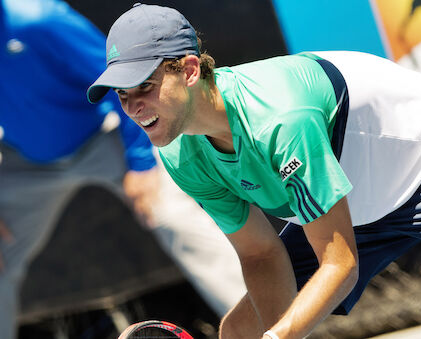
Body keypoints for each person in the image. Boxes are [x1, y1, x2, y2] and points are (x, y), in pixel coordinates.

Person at [87, 4, 421, 339]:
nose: (133, 105)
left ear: (191, 69)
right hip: (355, 188)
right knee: (238, 332)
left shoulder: (280, 120)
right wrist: (274, 332)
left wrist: (283, 335)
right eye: (123, 93)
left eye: (146, 86)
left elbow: (339, 263)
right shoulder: (180, 150)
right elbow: (261, 254)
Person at [0, 1, 246, 338]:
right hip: (23, 160)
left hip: (108, 136)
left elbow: (123, 80)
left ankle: (269, 329)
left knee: (172, 215)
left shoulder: (40, 20)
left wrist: (141, 162)